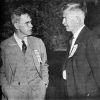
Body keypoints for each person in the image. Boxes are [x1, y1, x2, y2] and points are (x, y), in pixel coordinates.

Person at [0, 5, 49, 100]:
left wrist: (44, 83)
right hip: (14, 95)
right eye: (27, 23)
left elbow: (44, 65)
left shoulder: (38, 42)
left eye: (30, 22)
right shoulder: (4, 46)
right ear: (16, 25)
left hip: (37, 94)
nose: (31, 25)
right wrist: (7, 90)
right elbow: (2, 72)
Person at [62, 2, 100, 99]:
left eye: (65, 18)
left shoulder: (91, 39)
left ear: (77, 20)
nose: (63, 22)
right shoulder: (72, 39)